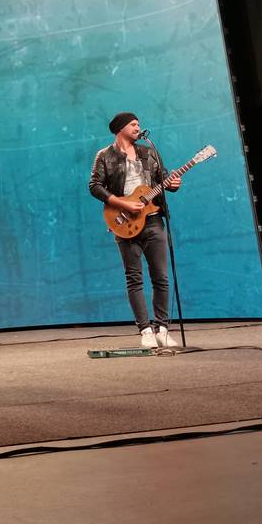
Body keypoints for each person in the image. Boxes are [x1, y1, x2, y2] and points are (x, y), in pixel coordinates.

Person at [88, 113, 182, 348]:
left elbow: (163, 179)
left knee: (161, 277)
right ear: (120, 128)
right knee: (134, 278)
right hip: (124, 222)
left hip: (153, 220)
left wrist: (173, 184)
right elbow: (95, 186)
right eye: (133, 124)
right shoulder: (104, 156)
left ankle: (162, 329)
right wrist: (122, 203)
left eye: (138, 124)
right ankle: (145, 330)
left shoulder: (149, 152)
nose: (138, 127)